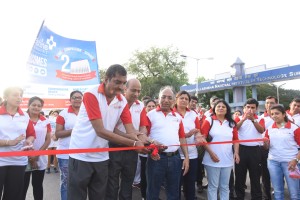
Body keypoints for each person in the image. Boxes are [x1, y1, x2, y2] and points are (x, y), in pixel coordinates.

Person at [68, 64, 147, 200]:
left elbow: (131, 130)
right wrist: (134, 144)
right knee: (77, 197)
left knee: (99, 196)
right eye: (117, 82)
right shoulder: (91, 94)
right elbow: (100, 131)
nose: (121, 87)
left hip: (102, 157)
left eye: (123, 83)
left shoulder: (121, 101)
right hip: (81, 155)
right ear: (106, 79)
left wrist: (149, 141)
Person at [106, 78, 151, 200]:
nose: (136, 94)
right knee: (112, 183)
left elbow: (143, 126)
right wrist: (134, 138)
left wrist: (142, 137)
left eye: (139, 91)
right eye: (133, 90)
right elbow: (111, 128)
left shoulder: (140, 105)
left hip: (133, 149)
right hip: (115, 147)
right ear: (125, 88)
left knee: (128, 182)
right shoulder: (116, 103)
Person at [146, 86, 189, 200]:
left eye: (169, 98)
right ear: (158, 99)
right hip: (156, 158)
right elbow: (143, 135)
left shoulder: (178, 117)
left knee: (174, 192)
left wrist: (186, 157)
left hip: (175, 159)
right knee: (153, 191)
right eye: (163, 97)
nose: (166, 100)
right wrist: (151, 144)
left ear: (174, 100)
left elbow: (182, 138)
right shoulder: (150, 115)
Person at [0, 86, 36, 200]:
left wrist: (28, 141)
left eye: (20, 95)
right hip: (1, 160)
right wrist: (8, 142)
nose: (19, 98)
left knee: (13, 195)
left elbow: (31, 134)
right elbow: (10, 141)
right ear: (6, 97)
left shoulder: (24, 116)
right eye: (15, 95)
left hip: (19, 161)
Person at [201, 99, 240, 200]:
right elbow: (202, 139)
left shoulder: (231, 123)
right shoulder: (209, 121)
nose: (221, 108)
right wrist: (211, 153)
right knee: (213, 187)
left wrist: (236, 152)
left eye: (223, 106)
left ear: (227, 110)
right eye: (218, 106)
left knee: (225, 186)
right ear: (214, 109)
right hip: (211, 159)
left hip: (227, 160)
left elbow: (236, 140)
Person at [263, 105, 300, 200]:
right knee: (278, 192)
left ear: (284, 114)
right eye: (272, 114)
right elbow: (266, 147)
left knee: (294, 193)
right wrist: (265, 143)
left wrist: (296, 160)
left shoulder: (294, 128)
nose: (274, 116)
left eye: (277, 113)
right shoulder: (270, 129)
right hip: (273, 162)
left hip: (290, 163)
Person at [234, 98, 265, 200]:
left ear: (256, 109)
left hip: (255, 150)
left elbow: (261, 130)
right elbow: (235, 130)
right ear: (244, 108)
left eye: (253, 108)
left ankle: (256, 197)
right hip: (241, 149)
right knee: (239, 175)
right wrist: (243, 119)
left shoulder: (260, 118)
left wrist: (253, 120)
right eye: (248, 107)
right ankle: (239, 196)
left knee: (255, 176)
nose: (250, 110)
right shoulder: (238, 118)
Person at [22, 96, 51, 200]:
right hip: (23, 159)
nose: (36, 107)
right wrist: (30, 156)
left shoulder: (45, 121)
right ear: (28, 105)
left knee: (38, 186)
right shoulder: (22, 118)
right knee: (22, 187)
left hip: (40, 158)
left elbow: (48, 140)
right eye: (33, 105)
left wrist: (36, 155)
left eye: (39, 106)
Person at [55, 90, 83, 200]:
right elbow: (57, 134)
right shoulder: (63, 114)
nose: (77, 99)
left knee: (80, 182)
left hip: (83, 154)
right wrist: (74, 130)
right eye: (74, 97)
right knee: (67, 182)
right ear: (70, 100)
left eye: (79, 97)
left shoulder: (86, 112)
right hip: (65, 154)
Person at [174, 91, 201, 200]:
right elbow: (170, 134)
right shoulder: (172, 113)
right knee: (176, 183)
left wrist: (198, 136)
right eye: (182, 98)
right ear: (176, 99)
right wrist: (186, 135)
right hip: (177, 155)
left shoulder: (193, 114)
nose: (184, 100)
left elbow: (197, 130)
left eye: (186, 99)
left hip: (192, 154)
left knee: (190, 183)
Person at [260, 96, 278, 200]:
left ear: (276, 103)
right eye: (267, 103)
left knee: (280, 175)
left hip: (280, 150)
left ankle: (278, 192)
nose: (269, 105)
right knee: (265, 175)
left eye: (271, 103)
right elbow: (261, 132)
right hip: (266, 149)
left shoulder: (284, 117)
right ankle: (267, 196)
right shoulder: (262, 117)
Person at [139, 99, 157, 199]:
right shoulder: (143, 118)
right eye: (149, 106)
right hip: (144, 152)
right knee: (144, 176)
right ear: (145, 108)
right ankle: (144, 196)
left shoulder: (157, 118)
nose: (151, 108)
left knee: (153, 176)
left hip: (155, 152)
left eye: (153, 106)